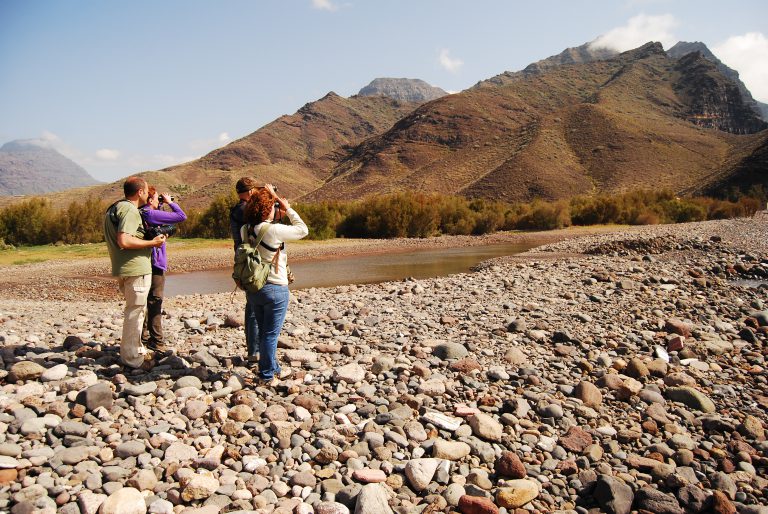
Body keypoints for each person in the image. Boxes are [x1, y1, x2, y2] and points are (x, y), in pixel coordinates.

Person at [244, 183, 308, 385]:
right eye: (272, 206)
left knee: (264, 331)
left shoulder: (246, 229)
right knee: (271, 334)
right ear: (267, 209)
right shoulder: (274, 231)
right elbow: (303, 230)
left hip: (255, 288)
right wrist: (287, 207)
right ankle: (266, 375)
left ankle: (273, 367)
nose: (275, 209)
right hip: (275, 288)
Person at [103, 176, 166, 369]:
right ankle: (132, 358)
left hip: (125, 267)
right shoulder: (129, 210)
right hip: (135, 267)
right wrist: (152, 243)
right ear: (140, 192)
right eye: (146, 191)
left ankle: (136, 348)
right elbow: (125, 240)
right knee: (135, 312)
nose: (148, 194)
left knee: (135, 310)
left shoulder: (115, 207)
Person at [139, 186, 187, 352]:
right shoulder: (149, 213)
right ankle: (156, 340)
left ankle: (143, 336)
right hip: (155, 263)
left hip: (148, 261)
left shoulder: (144, 212)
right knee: (155, 300)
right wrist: (170, 203)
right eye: (157, 198)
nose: (160, 201)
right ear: (150, 200)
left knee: (147, 300)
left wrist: (159, 205)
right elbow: (181, 216)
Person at [230, 176, 261, 361]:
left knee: (254, 303)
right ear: (250, 192)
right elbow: (263, 217)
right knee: (253, 305)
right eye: (255, 191)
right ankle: (254, 351)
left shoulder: (241, 208)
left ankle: (255, 350)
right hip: (248, 260)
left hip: (247, 259)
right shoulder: (243, 209)